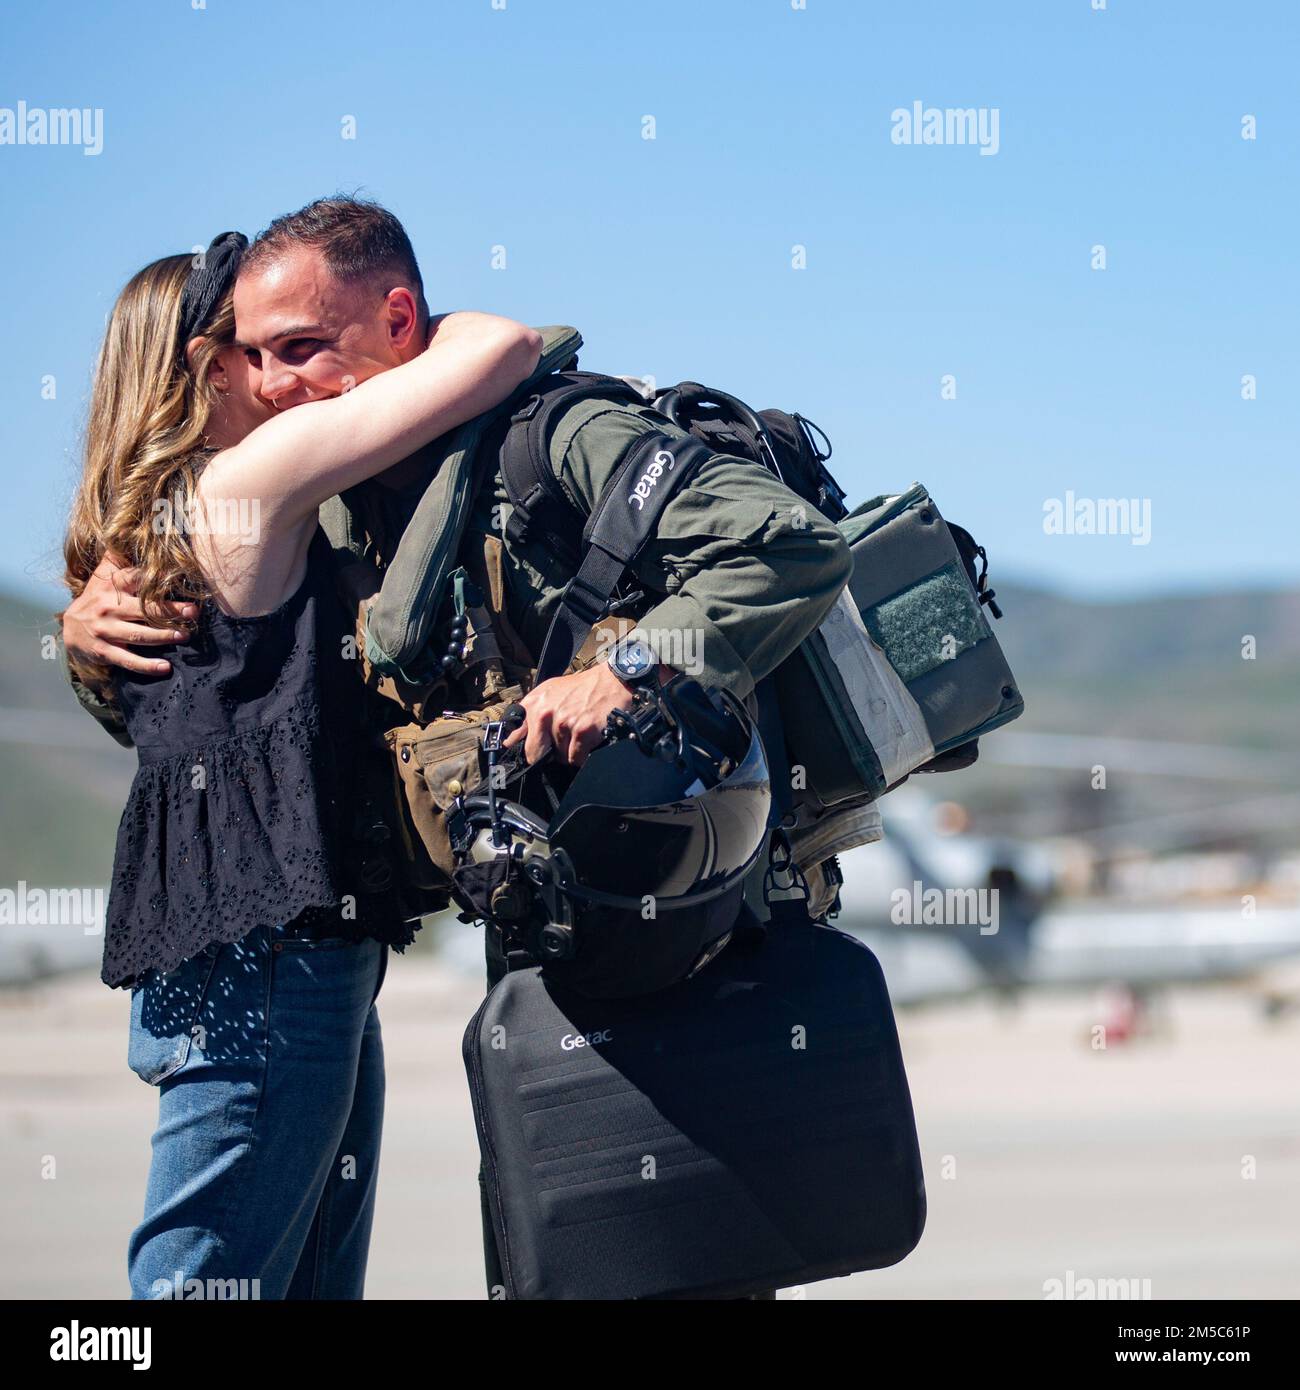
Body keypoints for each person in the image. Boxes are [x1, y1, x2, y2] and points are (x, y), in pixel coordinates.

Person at [62, 197, 854, 1297]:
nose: (284, 383)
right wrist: (87, 629)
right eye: (260, 356)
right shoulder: (340, 508)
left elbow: (789, 548)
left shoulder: (549, 439)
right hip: (541, 931)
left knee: (685, 1254)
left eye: (302, 348)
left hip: (681, 909)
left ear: (397, 319)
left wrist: (624, 667)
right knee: (561, 1255)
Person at [62, 226, 542, 1299]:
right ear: (204, 368)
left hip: (252, 961)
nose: (283, 375)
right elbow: (500, 346)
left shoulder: (143, 534)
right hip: (273, 965)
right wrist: (399, 321)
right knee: (202, 1283)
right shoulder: (250, 480)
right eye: (256, 349)